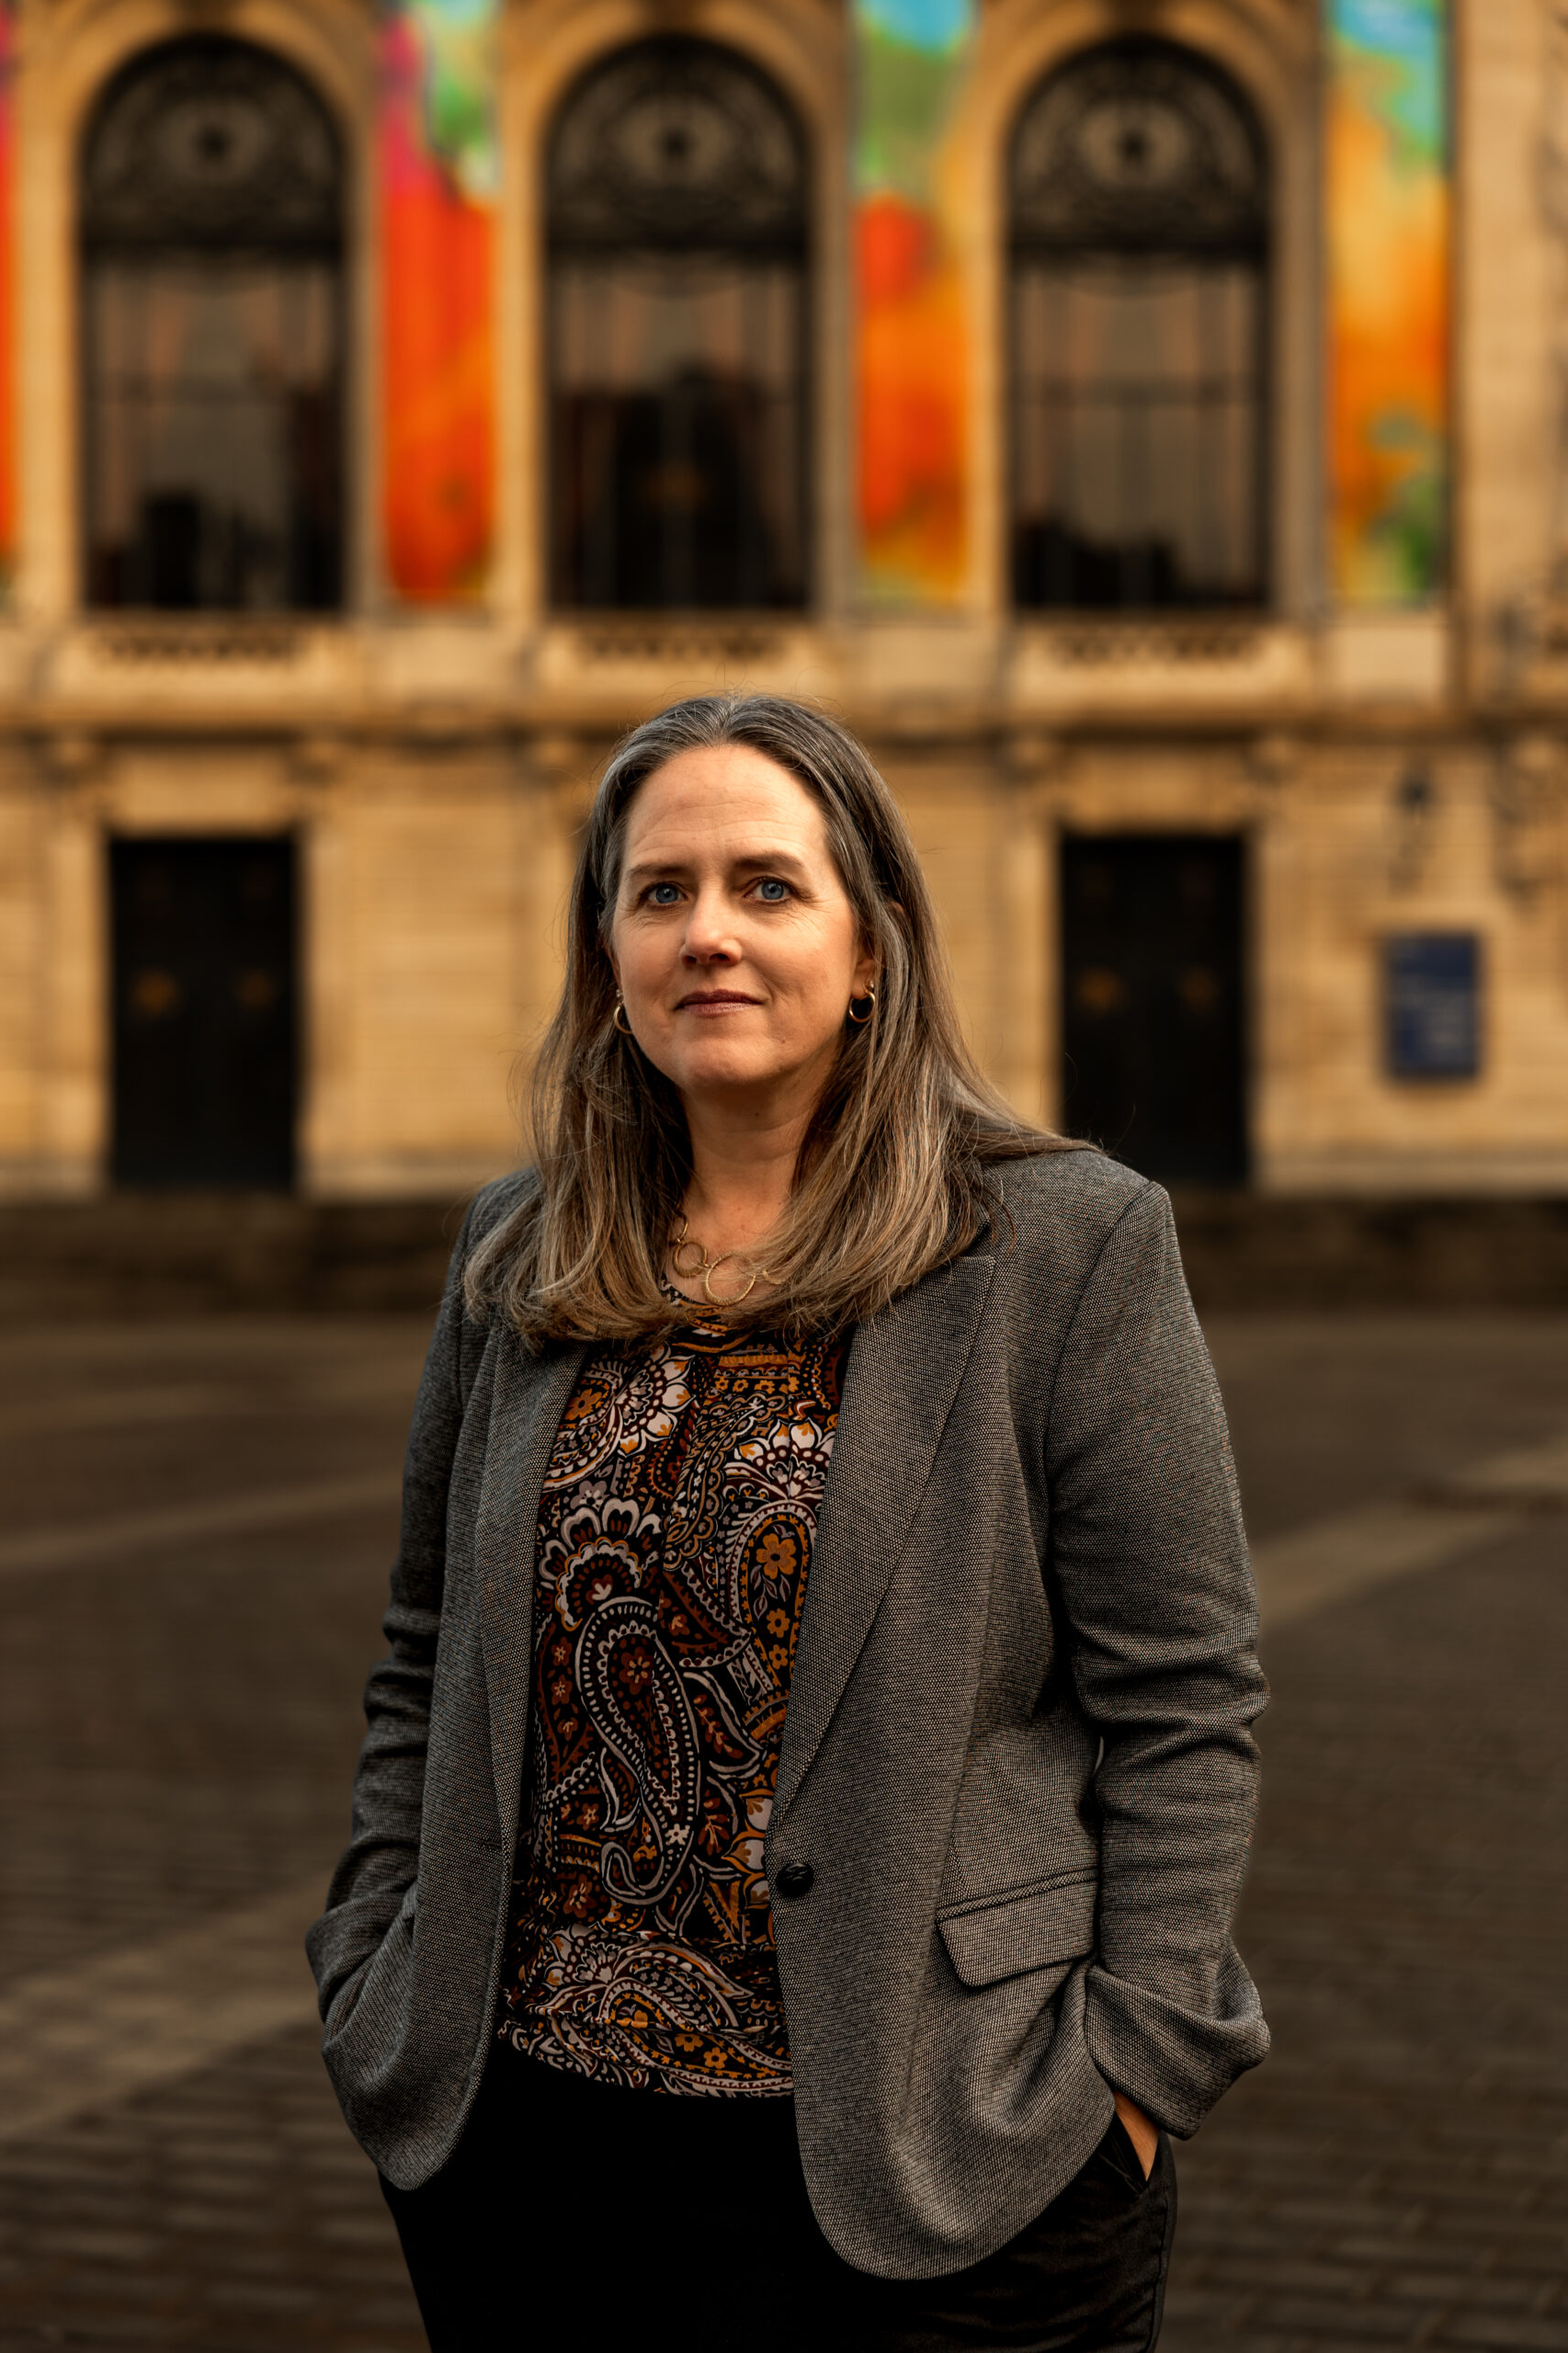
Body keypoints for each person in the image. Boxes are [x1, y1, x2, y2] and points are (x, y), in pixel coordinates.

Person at [307, 694, 1267, 2353]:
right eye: (659, 892)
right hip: (528, 2153)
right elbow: (422, 1658)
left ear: (873, 939)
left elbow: (1185, 1700)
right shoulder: (521, 1247)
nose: (709, 938)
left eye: (767, 886)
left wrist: (1135, 2072)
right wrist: (372, 1967)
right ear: (605, 948)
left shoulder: (1063, 1245)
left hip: (939, 2157)